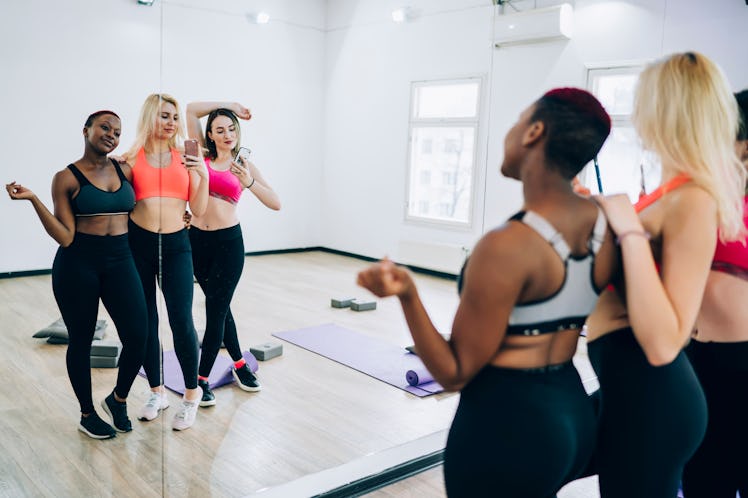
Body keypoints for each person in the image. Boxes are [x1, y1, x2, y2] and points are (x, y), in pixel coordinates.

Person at [358, 88, 617, 497]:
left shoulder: (506, 246)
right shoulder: (608, 224)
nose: (509, 132)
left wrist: (407, 292)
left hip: (506, 427)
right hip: (572, 411)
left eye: (517, 120)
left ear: (534, 132)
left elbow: (453, 372)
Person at [584, 52, 746, 498]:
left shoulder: (694, 197)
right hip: (637, 383)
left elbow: (665, 340)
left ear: (665, 110)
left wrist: (627, 227)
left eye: (643, 100)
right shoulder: (667, 191)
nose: (637, 113)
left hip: (666, 386)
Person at [5, 111, 148, 439]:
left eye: (116, 131)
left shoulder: (124, 169)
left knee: (139, 336)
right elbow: (66, 236)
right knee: (81, 341)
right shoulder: (66, 177)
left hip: (121, 260)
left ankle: (118, 399)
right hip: (78, 264)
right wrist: (33, 199)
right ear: (86, 130)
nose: (111, 134)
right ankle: (87, 414)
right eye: (104, 127)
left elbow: (142, 208)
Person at [184, 101, 281, 406]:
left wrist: (249, 182)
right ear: (209, 134)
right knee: (220, 307)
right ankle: (239, 364)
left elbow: (276, 202)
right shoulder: (198, 153)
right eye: (220, 129)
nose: (227, 134)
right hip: (196, 242)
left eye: (232, 129)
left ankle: (201, 380)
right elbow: (190, 109)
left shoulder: (243, 165)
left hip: (229, 244)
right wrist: (229, 106)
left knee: (215, 311)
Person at [123, 93, 209, 431]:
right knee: (145, 322)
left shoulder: (187, 156)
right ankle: (157, 392)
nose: (171, 122)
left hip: (176, 246)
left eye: (174, 116)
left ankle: (191, 395)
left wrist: (200, 172)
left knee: (181, 321)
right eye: (164, 115)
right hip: (138, 244)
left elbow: (198, 209)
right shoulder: (130, 157)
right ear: (149, 118)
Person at [681, 90, 748, 498]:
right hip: (704, 362)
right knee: (706, 478)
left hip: (734, 366)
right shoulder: (712, 200)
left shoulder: (720, 206)